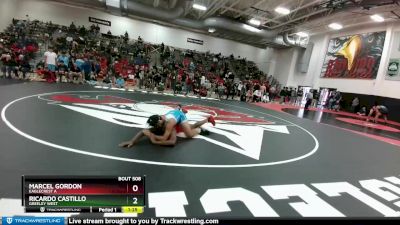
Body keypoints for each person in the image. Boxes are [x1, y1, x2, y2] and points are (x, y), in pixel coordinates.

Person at [119, 106, 216, 148]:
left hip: (179, 117)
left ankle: (199, 129)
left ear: (160, 121)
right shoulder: (158, 121)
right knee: (190, 126)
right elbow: (143, 131)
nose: (155, 127)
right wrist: (132, 141)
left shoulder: (169, 125)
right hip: (173, 114)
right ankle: (180, 109)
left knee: (189, 133)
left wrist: (153, 139)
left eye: (156, 125)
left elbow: (169, 141)